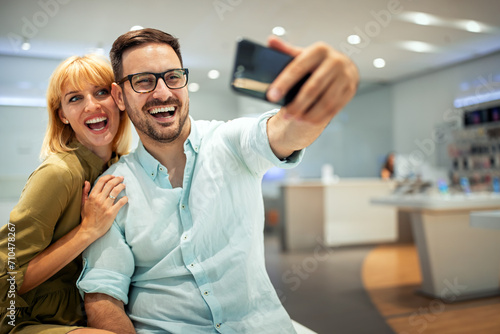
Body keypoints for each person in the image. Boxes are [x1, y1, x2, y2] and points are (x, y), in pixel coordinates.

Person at [77, 28, 359, 334]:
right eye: (143, 81)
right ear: (120, 95)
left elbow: (284, 131)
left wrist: (319, 104)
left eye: (173, 77)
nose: (162, 93)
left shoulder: (231, 142)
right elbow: (103, 296)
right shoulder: (112, 189)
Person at [0, 54, 132, 333]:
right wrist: (86, 231)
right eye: (75, 98)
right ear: (62, 115)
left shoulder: (118, 166)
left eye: (101, 92)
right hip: (24, 320)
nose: (92, 105)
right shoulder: (58, 173)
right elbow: (6, 281)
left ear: (118, 99)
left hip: (76, 314)